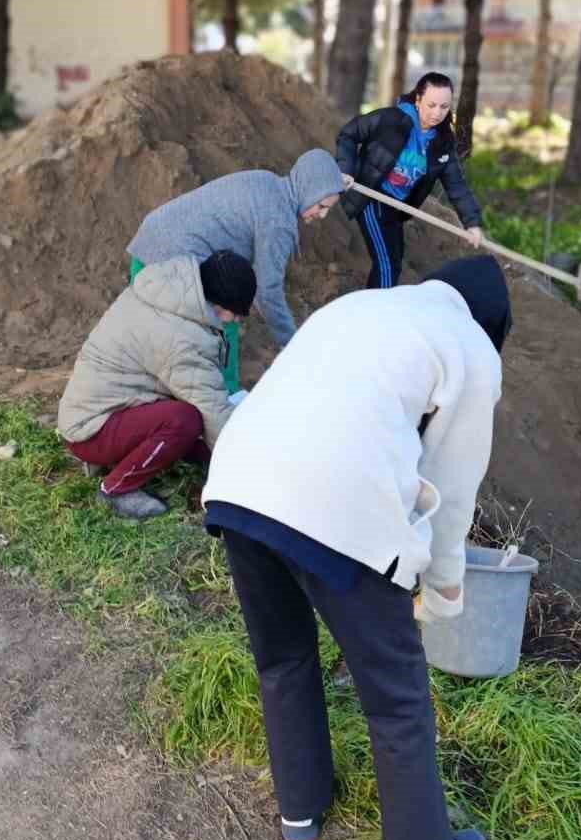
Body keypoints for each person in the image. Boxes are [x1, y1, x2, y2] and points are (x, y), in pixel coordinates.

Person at [201, 255, 511, 840]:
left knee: (282, 657)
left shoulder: (364, 307)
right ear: (488, 325)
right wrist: (444, 594)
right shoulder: (473, 352)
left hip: (239, 479)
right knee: (398, 699)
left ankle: (301, 813)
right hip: (334, 500)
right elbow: (452, 494)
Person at [58, 250, 257, 521]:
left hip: (95, 407)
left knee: (195, 429)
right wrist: (248, 465)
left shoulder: (168, 291)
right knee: (184, 421)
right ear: (220, 305)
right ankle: (116, 489)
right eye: (235, 314)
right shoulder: (179, 338)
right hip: (90, 429)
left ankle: (134, 456)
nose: (235, 321)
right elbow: (210, 408)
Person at [125, 150, 344, 393]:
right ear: (309, 188)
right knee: (225, 315)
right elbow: (267, 291)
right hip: (171, 261)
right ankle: (226, 397)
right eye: (321, 205)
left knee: (147, 339)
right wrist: (292, 343)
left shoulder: (267, 181)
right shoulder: (279, 222)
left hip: (148, 242)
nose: (322, 215)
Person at [336, 72, 484, 289]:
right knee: (386, 264)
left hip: (396, 208)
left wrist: (472, 223)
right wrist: (345, 169)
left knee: (394, 264)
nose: (437, 113)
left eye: (444, 107)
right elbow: (348, 134)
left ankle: (368, 311)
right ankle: (378, 316)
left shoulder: (442, 142)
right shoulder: (390, 120)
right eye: (431, 105)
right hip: (371, 195)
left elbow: (456, 185)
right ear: (417, 99)